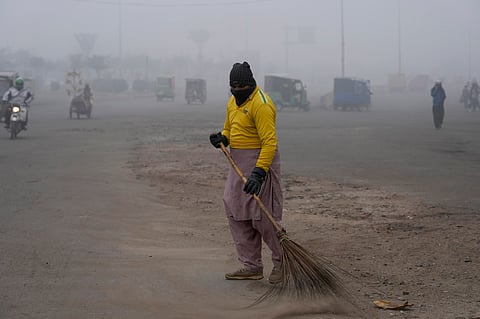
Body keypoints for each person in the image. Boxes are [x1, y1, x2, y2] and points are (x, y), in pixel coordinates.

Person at [209, 61, 283, 284]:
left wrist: (259, 173)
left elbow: (269, 142)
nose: (238, 90)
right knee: (235, 209)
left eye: (242, 86)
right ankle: (251, 266)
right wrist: (222, 138)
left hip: (260, 161)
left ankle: (282, 262)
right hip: (237, 163)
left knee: (263, 216)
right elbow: (229, 130)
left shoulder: (261, 104)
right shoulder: (232, 101)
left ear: (251, 84)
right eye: (234, 86)